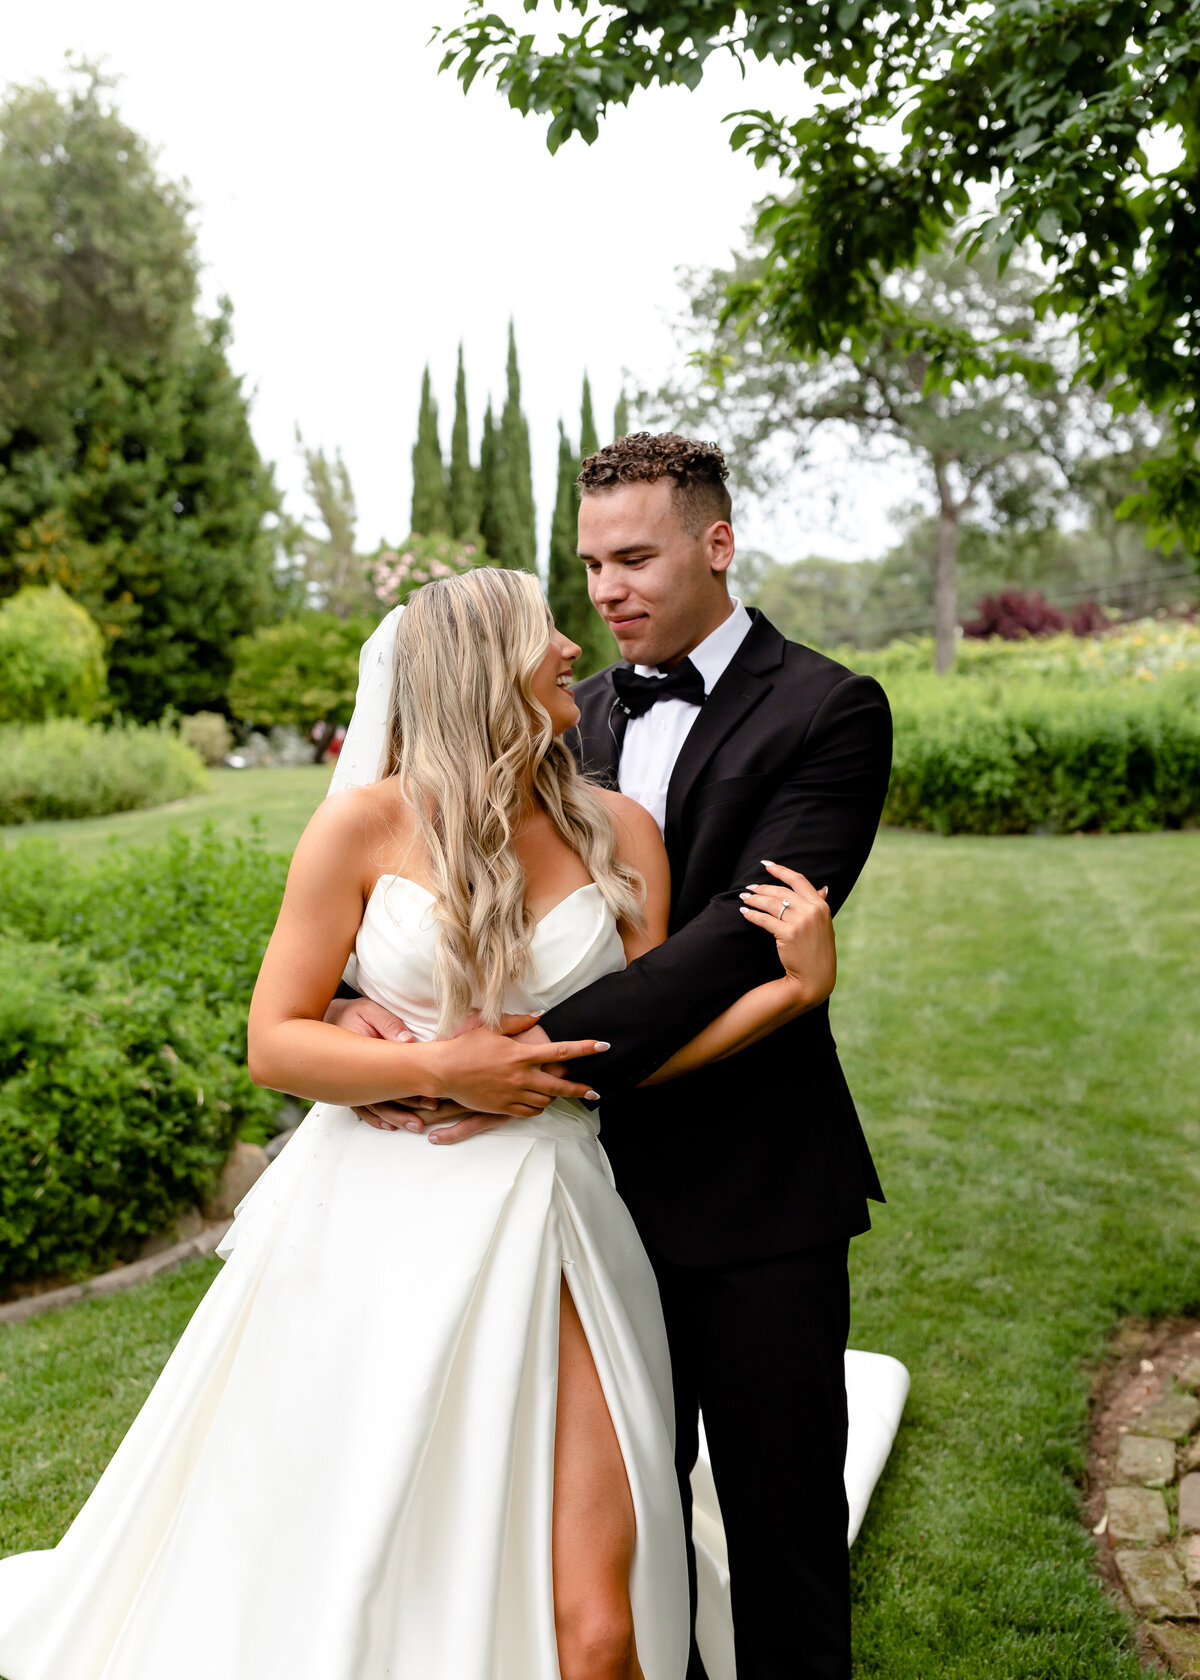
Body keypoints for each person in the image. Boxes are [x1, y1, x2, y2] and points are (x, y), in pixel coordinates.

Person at [0, 566, 838, 1680]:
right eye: (546, 631)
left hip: (554, 1217)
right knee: (366, 1562)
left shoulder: (624, 833)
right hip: (370, 1223)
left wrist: (791, 995)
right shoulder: (361, 828)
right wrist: (446, 1064)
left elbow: (641, 1052)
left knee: (597, 1628)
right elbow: (275, 1041)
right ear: (484, 664)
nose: (570, 647)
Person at [333, 434, 893, 1680]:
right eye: (590, 565)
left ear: (717, 542)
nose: (609, 591)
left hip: (750, 1187)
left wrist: (523, 1060)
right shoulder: (557, 710)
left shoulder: (830, 710)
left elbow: (732, 942)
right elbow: (430, 857)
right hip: (562, 1204)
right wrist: (356, 993)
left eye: (636, 556)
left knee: (780, 1519)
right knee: (615, 1531)